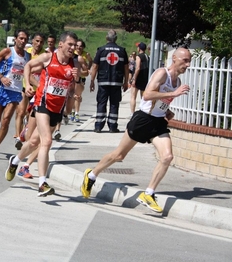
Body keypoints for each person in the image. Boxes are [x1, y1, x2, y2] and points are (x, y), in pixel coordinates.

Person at [80, 48, 192, 213]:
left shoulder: (178, 81)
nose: (187, 64)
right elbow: (147, 95)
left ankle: (149, 193)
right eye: (185, 60)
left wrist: (166, 110)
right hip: (143, 119)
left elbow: (161, 99)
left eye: (189, 61)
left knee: (167, 157)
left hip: (158, 121)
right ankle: (91, 176)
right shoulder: (162, 74)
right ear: (174, 58)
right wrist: (173, 93)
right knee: (119, 155)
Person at [4, 31, 81, 197]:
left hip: (57, 109)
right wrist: (29, 83)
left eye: (75, 45)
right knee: (46, 141)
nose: (73, 48)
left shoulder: (74, 65)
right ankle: (42, 183)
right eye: (70, 45)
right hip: (42, 104)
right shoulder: (48, 58)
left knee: (33, 142)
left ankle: (15, 161)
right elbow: (28, 66)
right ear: (61, 44)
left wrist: (75, 82)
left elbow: (71, 93)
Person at [0, 29, 30, 160]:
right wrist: (1, 77)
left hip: (15, 91)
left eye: (25, 39)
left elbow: (29, 74)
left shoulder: (28, 57)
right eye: (21, 38)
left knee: (6, 121)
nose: (23, 41)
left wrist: (37, 85)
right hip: (1, 89)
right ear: (15, 39)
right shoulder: (7, 51)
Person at [90, 29, 128, 133]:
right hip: (117, 81)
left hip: (103, 81)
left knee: (101, 103)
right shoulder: (122, 50)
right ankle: (113, 126)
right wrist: (126, 81)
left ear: (106, 38)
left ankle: (98, 126)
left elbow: (95, 66)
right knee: (114, 104)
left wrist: (92, 81)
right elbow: (126, 68)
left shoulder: (101, 50)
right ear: (116, 38)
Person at [14, 33, 45, 151]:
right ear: (32, 41)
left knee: (31, 114)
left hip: (38, 89)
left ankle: (26, 130)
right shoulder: (27, 53)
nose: (38, 44)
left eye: (41, 42)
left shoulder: (45, 55)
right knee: (20, 112)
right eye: (37, 41)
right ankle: (17, 137)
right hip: (25, 86)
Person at [70, 39, 92, 122]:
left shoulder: (85, 54)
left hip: (81, 76)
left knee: (78, 95)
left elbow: (90, 61)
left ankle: (76, 113)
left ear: (83, 47)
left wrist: (88, 68)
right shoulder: (72, 54)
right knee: (73, 95)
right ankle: (72, 111)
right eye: (77, 46)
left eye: (81, 46)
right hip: (72, 77)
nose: (79, 47)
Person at [130, 42, 149, 116]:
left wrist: (134, 78)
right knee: (143, 97)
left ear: (139, 48)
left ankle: (132, 113)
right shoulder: (147, 56)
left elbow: (137, 68)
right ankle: (143, 111)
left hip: (139, 77)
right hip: (145, 77)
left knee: (133, 96)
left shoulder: (139, 56)